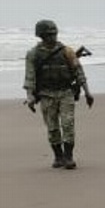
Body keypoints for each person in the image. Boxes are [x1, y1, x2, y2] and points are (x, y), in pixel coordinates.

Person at [23, 19, 94, 169]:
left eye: (54, 34)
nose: (52, 37)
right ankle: (58, 156)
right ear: (41, 36)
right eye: (48, 34)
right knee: (52, 127)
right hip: (46, 95)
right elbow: (30, 77)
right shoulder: (33, 54)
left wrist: (87, 92)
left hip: (66, 93)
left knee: (68, 124)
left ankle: (68, 157)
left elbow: (78, 71)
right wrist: (30, 96)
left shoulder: (67, 51)